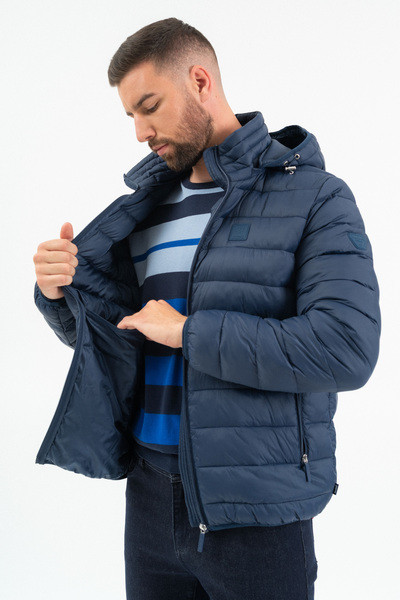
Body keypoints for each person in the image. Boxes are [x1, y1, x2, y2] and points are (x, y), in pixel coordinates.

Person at [32, 17, 381, 600]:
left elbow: (346, 348)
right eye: (130, 116)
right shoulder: (145, 210)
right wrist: (58, 294)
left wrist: (189, 332)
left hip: (258, 511)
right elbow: (123, 342)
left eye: (150, 107)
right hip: (149, 499)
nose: (140, 132)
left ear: (200, 81)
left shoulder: (316, 197)